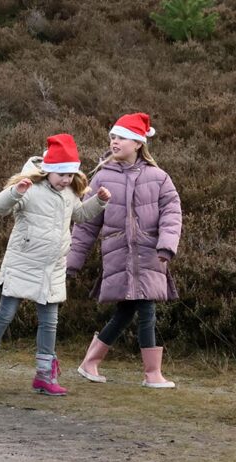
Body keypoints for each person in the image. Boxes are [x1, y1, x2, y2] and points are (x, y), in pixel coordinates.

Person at [0, 134, 110, 396]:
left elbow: (79, 215)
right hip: (22, 264)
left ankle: (45, 375)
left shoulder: (69, 193)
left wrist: (99, 201)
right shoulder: (30, 189)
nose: (67, 180)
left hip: (53, 269)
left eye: (70, 174)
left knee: (50, 322)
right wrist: (16, 192)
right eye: (61, 174)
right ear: (48, 171)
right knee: (6, 313)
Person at [67, 113, 182, 389]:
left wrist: (166, 246)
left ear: (138, 143)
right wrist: (72, 262)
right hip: (118, 257)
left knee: (134, 310)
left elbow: (172, 214)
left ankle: (91, 362)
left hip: (150, 256)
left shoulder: (159, 177)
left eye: (121, 137)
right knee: (139, 310)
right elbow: (85, 224)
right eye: (113, 137)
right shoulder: (101, 177)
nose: (114, 141)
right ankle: (151, 374)